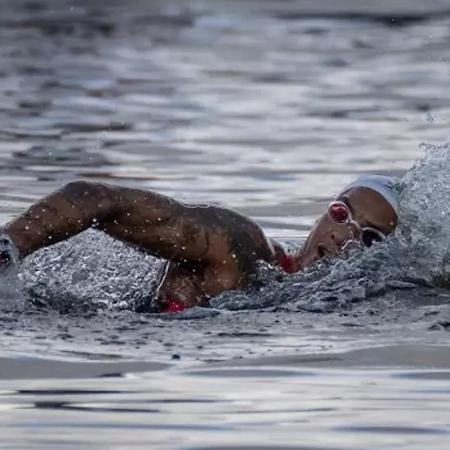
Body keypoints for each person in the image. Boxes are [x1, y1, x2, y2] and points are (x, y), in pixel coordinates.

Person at [0, 175, 399, 312]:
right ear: (323, 212)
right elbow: (96, 197)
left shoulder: (323, 304)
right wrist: (7, 249)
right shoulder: (242, 246)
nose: (342, 236)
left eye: (368, 237)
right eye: (342, 214)